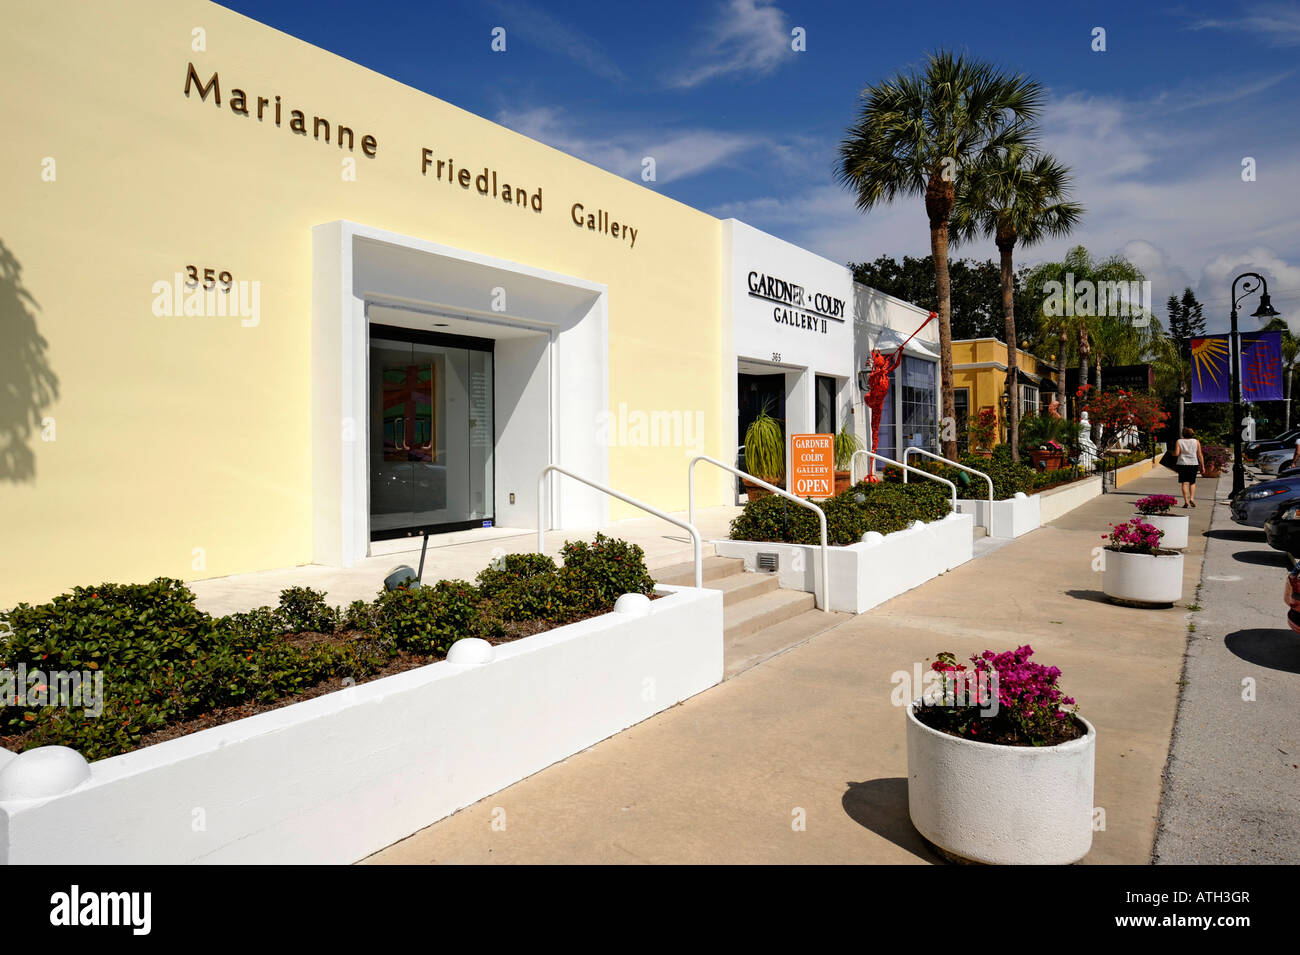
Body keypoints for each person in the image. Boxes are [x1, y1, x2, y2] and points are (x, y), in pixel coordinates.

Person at [1175, 427, 1205, 508]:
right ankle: (1192, 498)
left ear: (1183, 434)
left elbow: (1177, 454)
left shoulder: (1179, 441)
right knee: (1192, 482)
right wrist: (1202, 466)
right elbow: (1200, 455)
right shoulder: (1196, 442)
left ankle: (1186, 501)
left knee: (1184, 483)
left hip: (1182, 464)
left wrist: (1172, 454)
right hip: (1193, 464)